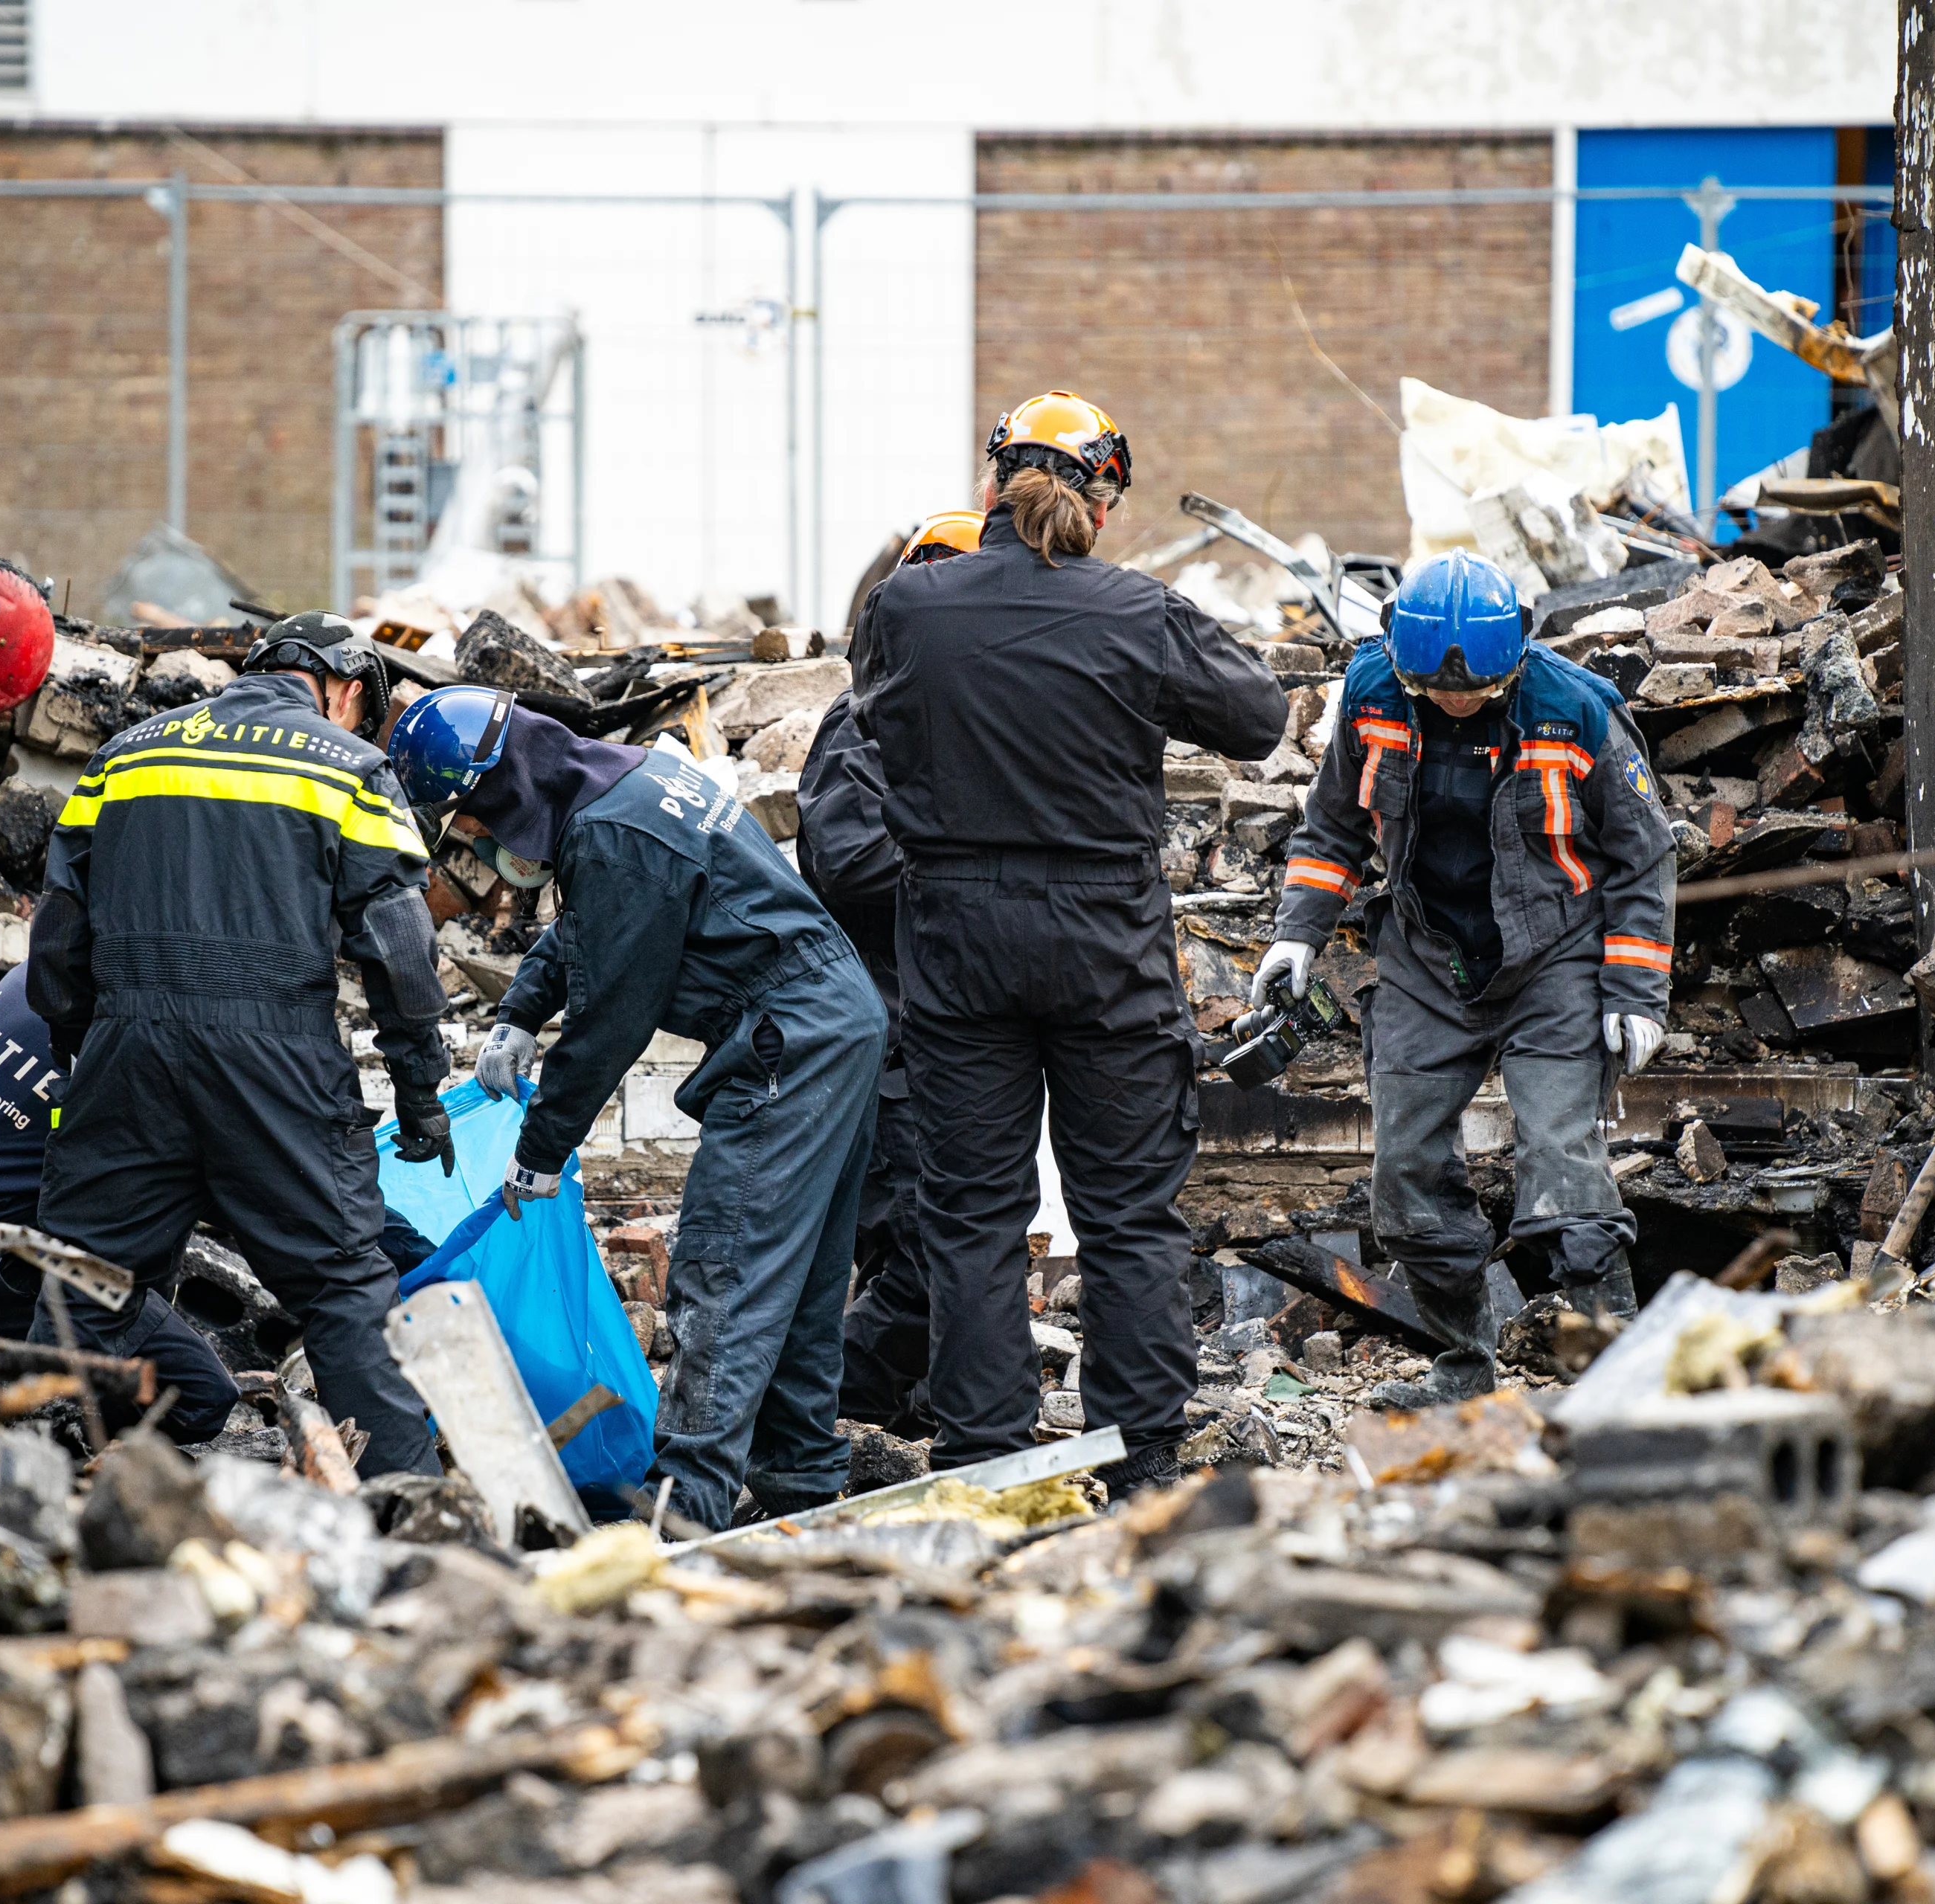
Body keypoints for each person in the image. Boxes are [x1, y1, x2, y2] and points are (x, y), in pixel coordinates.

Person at [855, 392, 1289, 1496]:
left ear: (992, 484)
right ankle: (1143, 1465)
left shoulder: (908, 607)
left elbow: (882, 731)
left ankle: (989, 1465)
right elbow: (1256, 716)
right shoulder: (1134, 611)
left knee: (971, 1217)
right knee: (1129, 1213)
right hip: (1104, 937)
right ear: (1099, 495)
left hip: (956, 939)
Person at [391, 686, 887, 1533]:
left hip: (789, 1038)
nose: (479, 844)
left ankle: (685, 1504)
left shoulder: (614, 834)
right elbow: (594, 924)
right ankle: (800, 1478)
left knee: (728, 1261)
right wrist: (518, 1010)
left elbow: (614, 1011)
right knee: (797, 1275)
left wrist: (542, 1149)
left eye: (469, 821)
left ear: (495, 789)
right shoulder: (622, 784)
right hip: (838, 1023)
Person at [29, 611, 458, 1478]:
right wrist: (419, 1093)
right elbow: (402, 954)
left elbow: (59, 935)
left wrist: (89, 1050)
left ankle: (16, 1475)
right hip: (275, 1062)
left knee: (86, 1282)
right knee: (341, 1291)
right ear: (342, 689)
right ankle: (414, 1511)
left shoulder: (125, 755)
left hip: (126, 1053)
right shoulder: (350, 766)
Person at [1254, 550, 1675, 1410]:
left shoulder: (1577, 711)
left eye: (1473, 691)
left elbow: (1644, 855)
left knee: (1564, 1179)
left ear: (1515, 655)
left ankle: (1623, 1392)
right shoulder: (1374, 694)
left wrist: (1635, 994)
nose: (1453, 702)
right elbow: (1331, 826)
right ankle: (1462, 1372)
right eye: (1434, 689)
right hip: (1423, 959)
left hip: (1553, 960)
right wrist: (1296, 935)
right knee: (1404, 1178)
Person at [0, 962, 242, 1444]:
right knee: (202, 1397)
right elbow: (211, 1198)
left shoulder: (45, 968)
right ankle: (55, 1433)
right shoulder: (148, 1048)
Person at [809, 507, 983, 1435]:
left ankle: (898, 1416)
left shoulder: (965, 723)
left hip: (955, 1036)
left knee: (941, 1244)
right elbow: (849, 863)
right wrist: (966, 857)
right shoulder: (861, 727)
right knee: (919, 1249)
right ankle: (832, 1402)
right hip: (891, 1041)